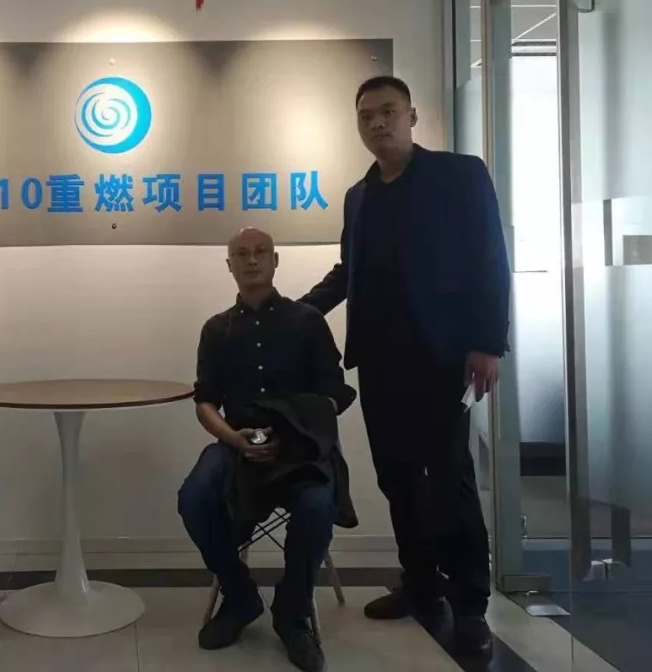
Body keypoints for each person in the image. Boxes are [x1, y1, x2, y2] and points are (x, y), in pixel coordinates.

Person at [299, 76, 510, 658]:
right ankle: (421, 585)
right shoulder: (359, 195)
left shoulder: (459, 175)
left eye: (388, 112)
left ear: (412, 116)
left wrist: (488, 342)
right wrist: (298, 311)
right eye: (366, 115)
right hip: (379, 360)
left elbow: (489, 257)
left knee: (449, 480)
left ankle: (470, 604)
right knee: (398, 478)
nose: (377, 124)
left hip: (441, 358)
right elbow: (350, 271)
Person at [178, 227, 356, 672]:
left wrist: (298, 429)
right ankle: (240, 597)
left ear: (275, 261)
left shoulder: (307, 321)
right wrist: (233, 438)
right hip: (237, 443)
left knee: (317, 504)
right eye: (242, 254)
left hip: (300, 448)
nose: (252, 260)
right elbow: (205, 402)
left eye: (261, 252)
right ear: (230, 265)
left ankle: (291, 612)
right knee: (194, 496)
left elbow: (335, 393)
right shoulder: (216, 329)